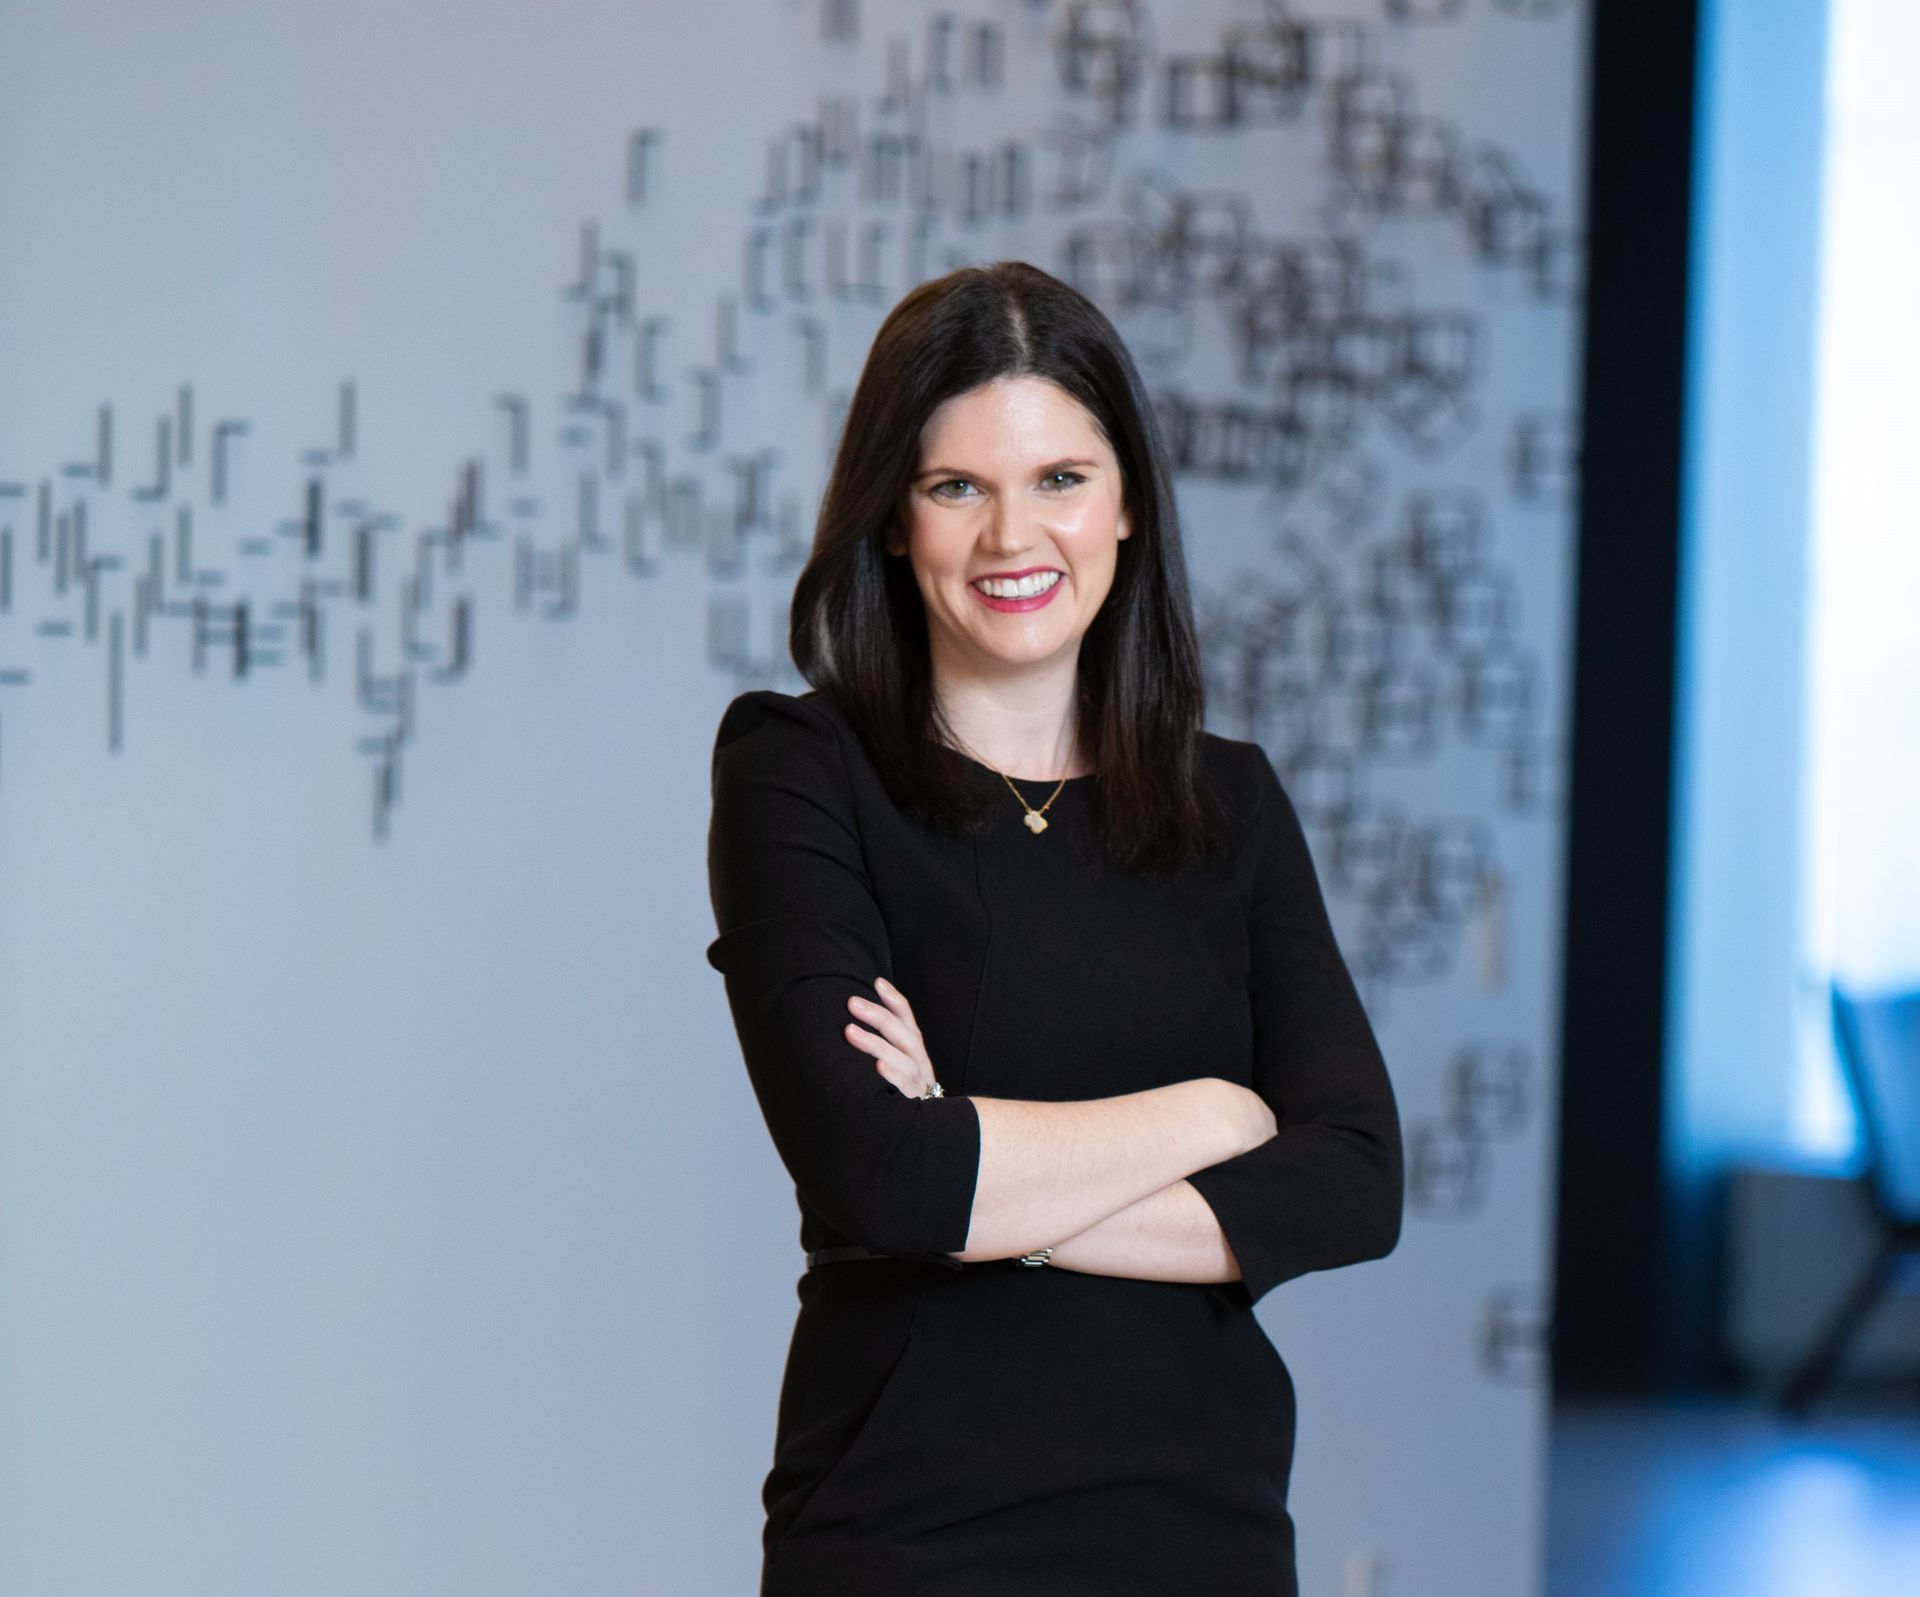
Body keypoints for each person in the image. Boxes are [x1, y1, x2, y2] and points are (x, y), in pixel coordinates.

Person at [704, 259, 1403, 1596]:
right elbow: (883, 1175)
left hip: (1205, 1530)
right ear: (895, 521)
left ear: (1128, 505)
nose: (1010, 537)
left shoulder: (1231, 803)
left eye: (1060, 481)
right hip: (909, 1536)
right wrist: (1212, 1113)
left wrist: (983, 1179)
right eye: (955, 485)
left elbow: (1357, 1180)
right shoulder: (800, 769)